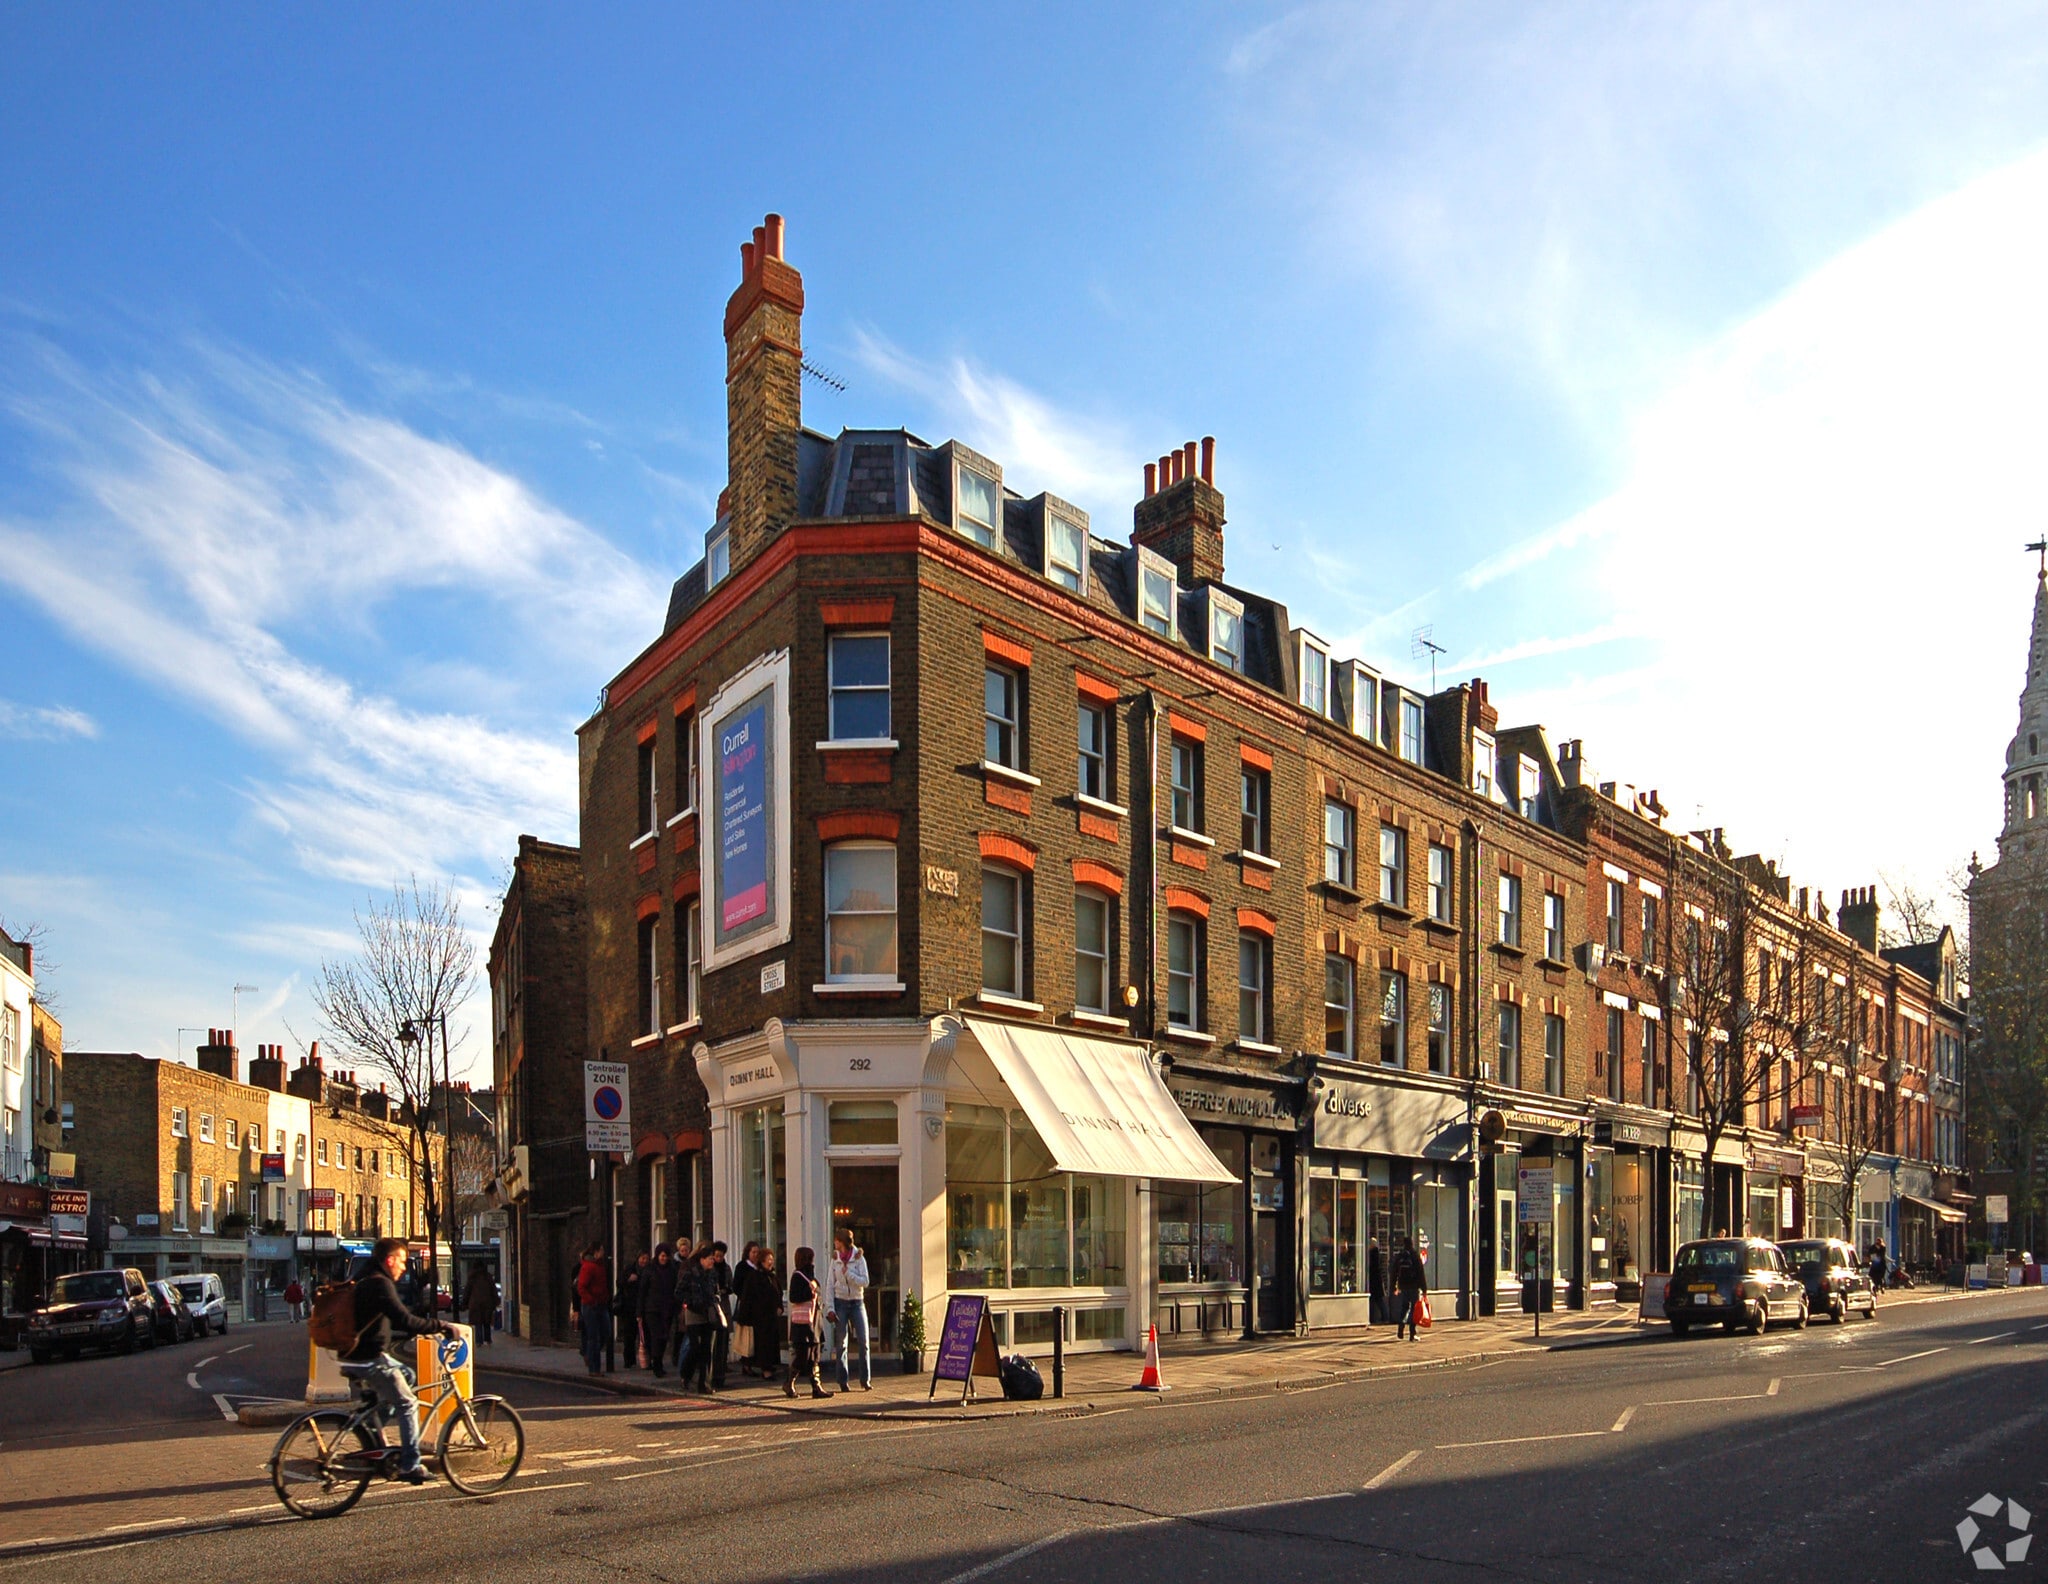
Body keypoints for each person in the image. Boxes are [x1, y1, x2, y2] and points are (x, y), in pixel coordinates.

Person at [340, 1236, 450, 1485]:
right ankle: (411, 1465)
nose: (403, 1267)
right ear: (389, 1261)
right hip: (369, 1359)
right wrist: (440, 1325)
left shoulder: (365, 1279)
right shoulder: (380, 1284)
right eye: (401, 1261)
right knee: (408, 1403)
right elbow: (405, 1320)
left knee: (408, 1376)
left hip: (356, 1356)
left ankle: (371, 1434)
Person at [827, 1229, 872, 1391]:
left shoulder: (858, 1258)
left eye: (837, 1240)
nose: (835, 1243)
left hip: (857, 1302)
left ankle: (865, 1379)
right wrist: (830, 1307)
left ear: (843, 1242)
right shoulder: (835, 1259)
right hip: (841, 1302)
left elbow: (865, 1281)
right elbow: (830, 1284)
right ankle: (842, 1381)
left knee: (863, 1341)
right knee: (841, 1343)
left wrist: (849, 1274)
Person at [785, 1246, 831, 1399]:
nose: (812, 1261)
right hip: (803, 1323)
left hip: (815, 1320)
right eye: (810, 1258)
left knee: (815, 1356)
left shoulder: (811, 1276)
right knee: (802, 1356)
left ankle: (816, 1386)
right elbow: (794, 1297)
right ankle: (789, 1382)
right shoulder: (797, 1276)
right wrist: (809, 1292)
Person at [735, 1245, 782, 1380]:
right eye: (768, 1259)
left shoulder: (772, 1276)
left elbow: (778, 1293)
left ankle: (768, 1367)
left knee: (770, 1344)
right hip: (760, 1318)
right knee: (762, 1344)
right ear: (762, 1261)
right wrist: (744, 1318)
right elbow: (749, 1297)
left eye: (772, 1259)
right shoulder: (755, 1277)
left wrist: (779, 1306)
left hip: (771, 1317)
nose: (771, 1262)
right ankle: (765, 1370)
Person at [679, 1244, 721, 1392]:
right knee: (695, 1348)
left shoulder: (713, 1274)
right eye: (710, 1258)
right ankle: (685, 1375)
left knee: (707, 1350)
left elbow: (716, 1291)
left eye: (713, 1259)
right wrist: (690, 1302)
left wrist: (716, 1298)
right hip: (694, 1315)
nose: (712, 1261)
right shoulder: (691, 1273)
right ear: (702, 1259)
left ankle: (704, 1384)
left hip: (708, 1314)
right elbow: (679, 1291)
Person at [637, 1244, 677, 1377]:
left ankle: (658, 1361)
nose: (664, 1259)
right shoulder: (649, 1270)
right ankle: (656, 1363)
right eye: (662, 1256)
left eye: (666, 1256)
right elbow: (642, 1292)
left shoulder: (672, 1270)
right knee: (656, 1336)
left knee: (664, 1337)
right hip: (652, 1309)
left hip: (667, 1309)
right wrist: (639, 1312)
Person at [573, 1245, 612, 1376]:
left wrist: (605, 1298)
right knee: (593, 1337)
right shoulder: (588, 1267)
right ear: (596, 1253)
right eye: (601, 1250)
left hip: (601, 1305)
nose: (603, 1252)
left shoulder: (600, 1266)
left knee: (606, 1332)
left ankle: (589, 1355)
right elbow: (581, 1287)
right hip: (590, 1306)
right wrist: (591, 1300)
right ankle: (594, 1369)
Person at [1390, 1235, 1425, 1341]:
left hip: (1403, 1286)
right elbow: (1420, 1272)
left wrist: (1393, 1286)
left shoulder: (1400, 1256)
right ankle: (1412, 1333)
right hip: (1414, 1286)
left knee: (1404, 1307)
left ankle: (1401, 1325)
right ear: (1412, 1243)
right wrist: (1424, 1288)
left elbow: (1394, 1272)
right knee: (1414, 1309)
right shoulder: (1415, 1256)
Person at [466, 1264, 499, 1345]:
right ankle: (488, 1339)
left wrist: (465, 1303)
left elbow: (467, 1291)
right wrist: (496, 1301)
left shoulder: (472, 1278)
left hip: (476, 1303)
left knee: (478, 1323)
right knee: (486, 1322)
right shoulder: (488, 1277)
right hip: (487, 1303)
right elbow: (493, 1290)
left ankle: (479, 1341)